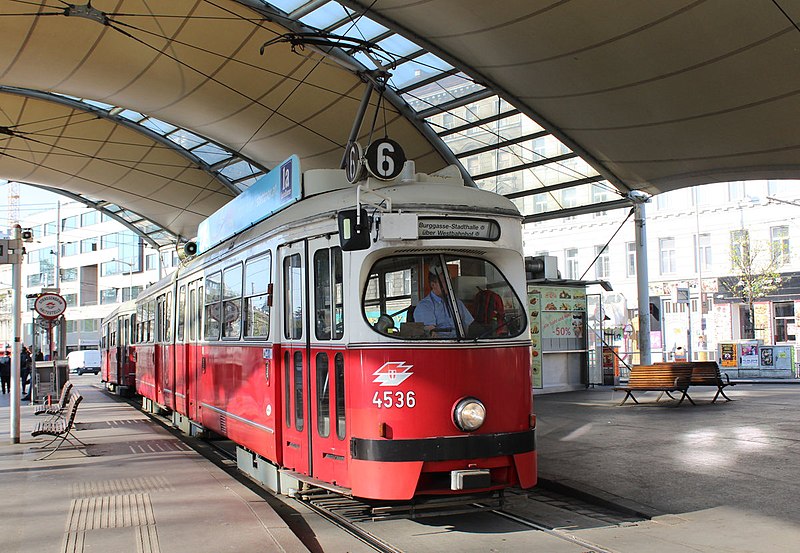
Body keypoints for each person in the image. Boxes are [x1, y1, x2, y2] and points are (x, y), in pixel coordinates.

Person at [414, 271, 474, 337]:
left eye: (450, 280)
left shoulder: (457, 302)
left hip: (461, 343)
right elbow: (431, 333)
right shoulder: (424, 306)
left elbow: (469, 326)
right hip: (441, 345)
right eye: (445, 281)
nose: (449, 284)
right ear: (433, 285)